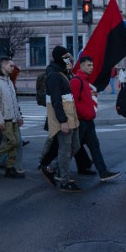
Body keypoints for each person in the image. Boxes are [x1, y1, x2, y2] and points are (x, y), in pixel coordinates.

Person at [70, 56, 120, 183]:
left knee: (94, 147)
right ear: (81, 66)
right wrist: (83, 114)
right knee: (72, 147)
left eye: (92, 65)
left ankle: (103, 172)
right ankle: (56, 168)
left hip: (88, 121)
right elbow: (73, 103)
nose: (91, 68)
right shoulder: (76, 81)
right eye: (88, 65)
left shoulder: (85, 81)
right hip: (81, 121)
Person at [44, 45, 81, 192]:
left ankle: (51, 167)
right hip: (64, 118)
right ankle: (65, 181)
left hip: (72, 117)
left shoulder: (63, 72)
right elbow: (56, 100)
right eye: (66, 57)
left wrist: (70, 68)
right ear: (60, 58)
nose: (69, 59)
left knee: (75, 146)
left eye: (69, 57)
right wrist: (62, 120)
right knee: (65, 150)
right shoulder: (54, 75)